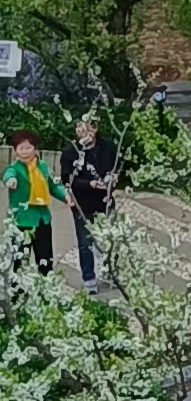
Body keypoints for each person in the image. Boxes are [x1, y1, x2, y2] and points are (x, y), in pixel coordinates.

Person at [58, 111, 118, 287]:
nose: (83, 132)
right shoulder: (70, 153)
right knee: (85, 242)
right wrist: (90, 183)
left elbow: (114, 167)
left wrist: (113, 178)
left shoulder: (107, 147)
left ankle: (110, 272)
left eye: (87, 127)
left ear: (95, 128)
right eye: (79, 128)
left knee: (111, 238)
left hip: (105, 199)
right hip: (81, 203)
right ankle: (89, 278)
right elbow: (67, 179)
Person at [4, 137, 63, 275]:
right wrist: (10, 180)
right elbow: (8, 175)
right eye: (21, 148)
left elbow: (53, 186)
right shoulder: (14, 168)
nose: (25, 152)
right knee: (19, 260)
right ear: (16, 151)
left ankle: (45, 288)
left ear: (35, 149)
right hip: (21, 221)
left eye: (28, 148)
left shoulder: (42, 166)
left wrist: (65, 196)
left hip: (42, 219)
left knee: (45, 259)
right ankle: (17, 293)